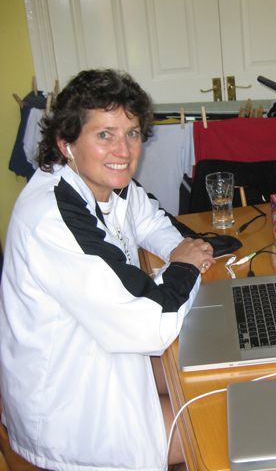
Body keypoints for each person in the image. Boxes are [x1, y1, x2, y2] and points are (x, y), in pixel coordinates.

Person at [0, 69, 216, 470]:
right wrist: (185, 265)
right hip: (71, 418)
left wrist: (183, 248)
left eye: (132, 133)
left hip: (100, 355)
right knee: (221, 421)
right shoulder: (53, 216)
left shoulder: (103, 182)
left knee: (216, 374)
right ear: (67, 143)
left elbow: (149, 220)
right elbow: (150, 324)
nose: (124, 149)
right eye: (105, 135)